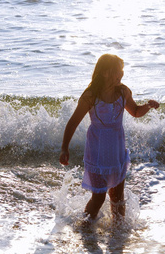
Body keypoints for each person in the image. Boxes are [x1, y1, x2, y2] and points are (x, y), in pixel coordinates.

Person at [59, 54, 159, 223]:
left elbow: (135, 111)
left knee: (117, 196)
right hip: (97, 151)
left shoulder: (123, 92)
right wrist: (64, 148)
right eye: (118, 70)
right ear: (105, 72)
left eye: (122, 70)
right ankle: (86, 229)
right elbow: (73, 122)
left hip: (116, 150)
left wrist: (148, 106)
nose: (122, 73)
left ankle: (118, 234)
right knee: (98, 198)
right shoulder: (91, 95)